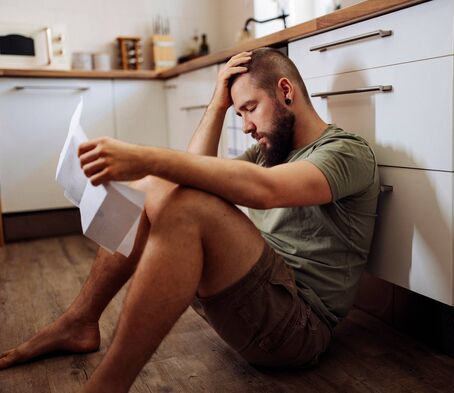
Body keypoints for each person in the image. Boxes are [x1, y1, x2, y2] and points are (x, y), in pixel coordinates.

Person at [0, 47, 379, 392]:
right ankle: (80, 321)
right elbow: (194, 174)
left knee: (187, 205)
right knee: (159, 186)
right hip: (260, 296)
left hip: (297, 327)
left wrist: (146, 156)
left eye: (249, 107)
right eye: (238, 113)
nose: (245, 124)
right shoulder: (270, 151)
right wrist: (217, 103)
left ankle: (106, 386)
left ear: (286, 91)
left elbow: (265, 191)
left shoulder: (345, 152)